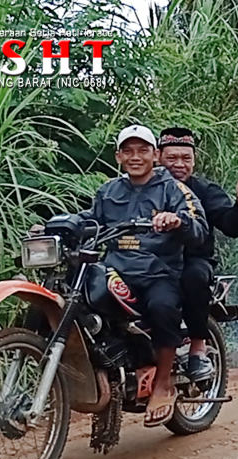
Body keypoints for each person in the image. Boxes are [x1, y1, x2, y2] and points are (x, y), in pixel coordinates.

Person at [80, 125, 208, 427]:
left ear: (155, 155)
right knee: (83, 302)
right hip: (115, 271)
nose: (135, 157)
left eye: (142, 150)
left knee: (162, 307)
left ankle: (163, 383)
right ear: (118, 156)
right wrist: (54, 227)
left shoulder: (174, 189)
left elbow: (199, 228)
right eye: (128, 151)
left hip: (158, 273)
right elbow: (90, 220)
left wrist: (178, 221)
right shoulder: (108, 191)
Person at [158, 128, 238, 387]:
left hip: (192, 260)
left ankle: (197, 349)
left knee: (194, 276)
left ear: (194, 161)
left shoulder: (203, 190)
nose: (179, 164)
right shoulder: (145, 187)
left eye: (186, 158)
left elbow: (230, 224)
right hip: (151, 262)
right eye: (172, 158)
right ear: (158, 157)